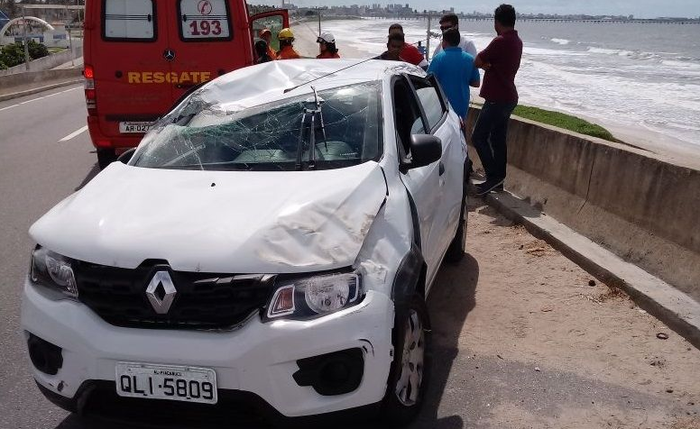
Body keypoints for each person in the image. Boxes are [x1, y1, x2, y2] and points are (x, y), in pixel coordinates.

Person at [471, 4, 523, 196]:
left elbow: (477, 61)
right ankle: (498, 179)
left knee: (478, 136)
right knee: (498, 139)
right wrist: (491, 65)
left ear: (497, 22)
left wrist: (487, 66)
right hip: (508, 97)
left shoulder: (500, 41)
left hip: (496, 97)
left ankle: (493, 177)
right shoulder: (517, 41)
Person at [428, 28, 480, 120]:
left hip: (443, 104)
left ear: (444, 42)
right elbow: (476, 83)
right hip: (462, 104)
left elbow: (428, 81)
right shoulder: (470, 59)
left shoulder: (438, 58)